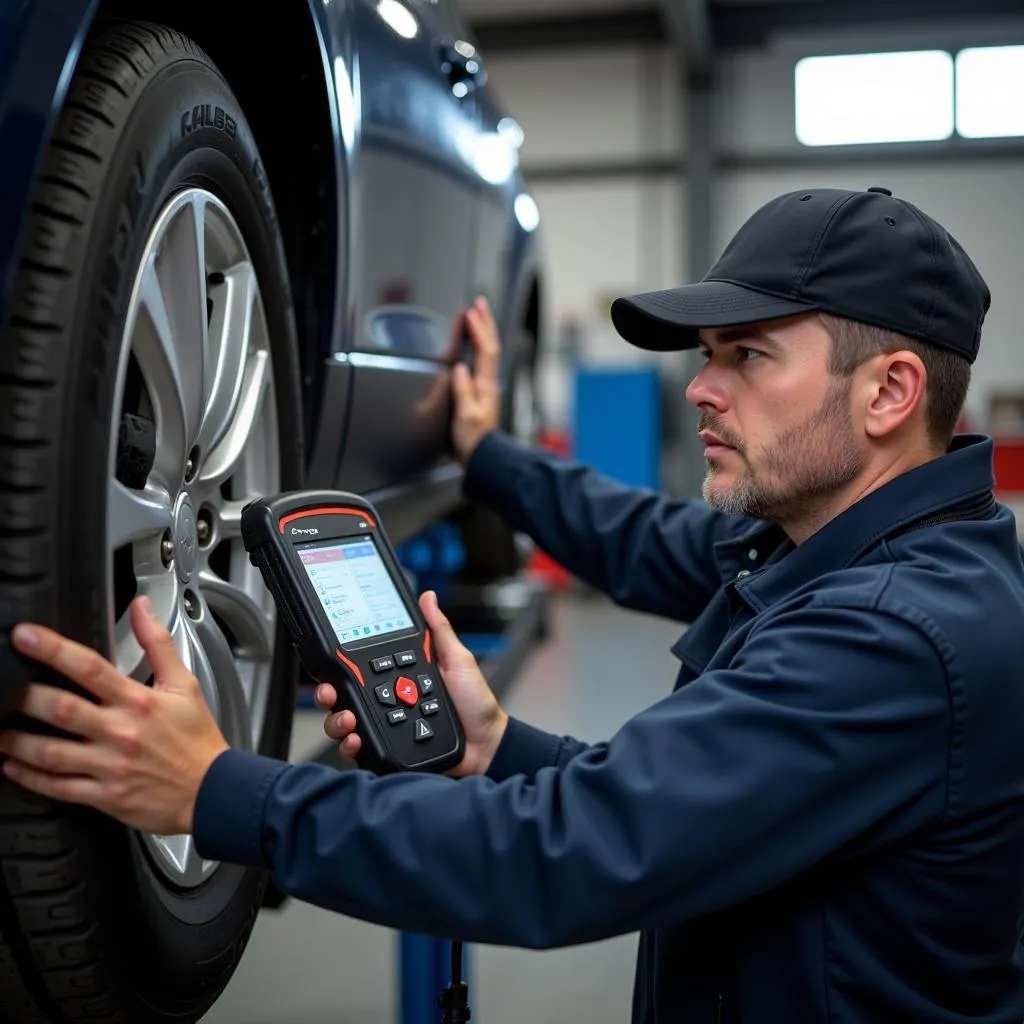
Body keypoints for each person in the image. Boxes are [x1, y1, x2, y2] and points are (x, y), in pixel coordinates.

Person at [2, 186, 1023, 1023]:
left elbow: (570, 852)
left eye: (745, 355)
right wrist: (498, 744)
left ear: (887, 393)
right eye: (705, 356)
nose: (698, 390)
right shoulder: (856, 550)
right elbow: (697, 791)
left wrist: (217, 790)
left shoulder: (894, 635)